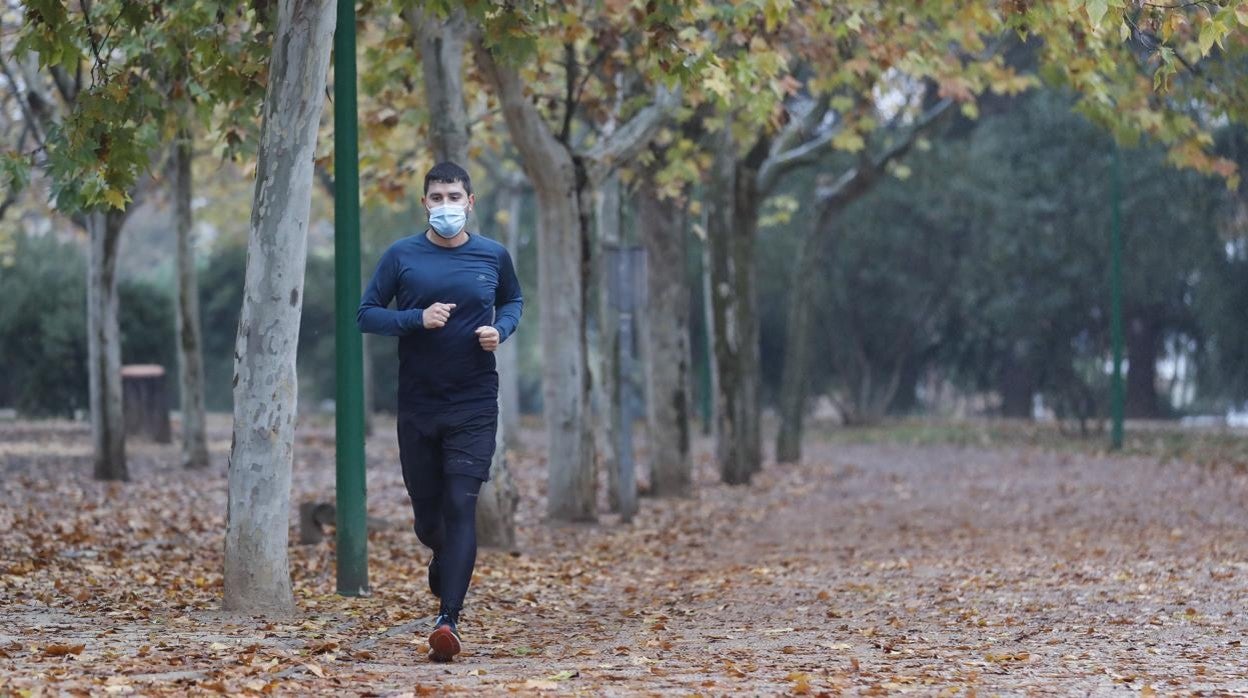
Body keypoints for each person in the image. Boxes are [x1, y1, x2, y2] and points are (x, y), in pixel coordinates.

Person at [357, 161, 523, 662]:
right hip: (418, 405)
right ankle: (440, 558)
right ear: (424, 203)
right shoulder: (401, 256)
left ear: (470, 202)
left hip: (473, 402)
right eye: (437, 197)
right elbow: (366, 314)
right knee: (431, 520)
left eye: (455, 196)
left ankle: (448, 619)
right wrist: (416, 318)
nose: (446, 205)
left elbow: (513, 300)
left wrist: (503, 330)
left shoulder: (493, 255)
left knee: (460, 505)